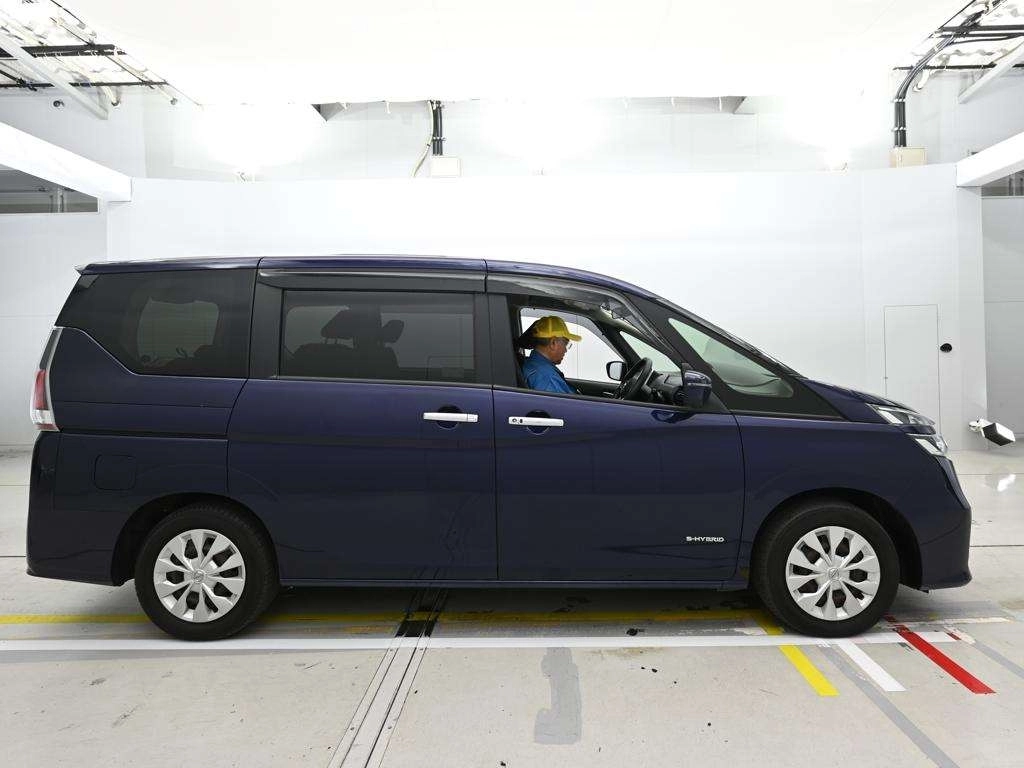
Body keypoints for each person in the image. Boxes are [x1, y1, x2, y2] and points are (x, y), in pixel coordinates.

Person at [518, 315, 582, 394]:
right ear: (553, 343)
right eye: (565, 344)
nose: (565, 350)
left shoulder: (532, 364)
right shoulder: (547, 378)